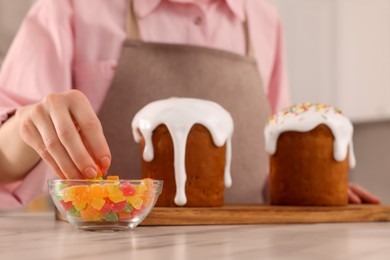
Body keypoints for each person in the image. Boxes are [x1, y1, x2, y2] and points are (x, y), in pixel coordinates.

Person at [0, 0, 380, 208]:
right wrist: (26, 127)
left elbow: (267, 164)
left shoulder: (264, 18)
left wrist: (306, 188)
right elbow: (4, 163)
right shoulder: (68, 9)